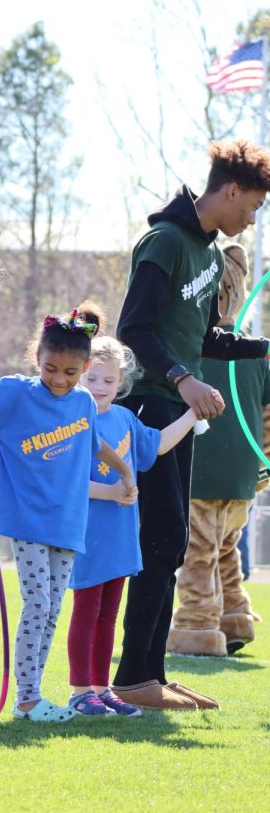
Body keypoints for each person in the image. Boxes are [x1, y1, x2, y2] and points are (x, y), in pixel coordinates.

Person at [113, 139, 270, 710]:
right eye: (252, 206)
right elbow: (134, 328)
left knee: (172, 542)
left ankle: (151, 673)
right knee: (159, 541)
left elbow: (202, 338)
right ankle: (134, 678)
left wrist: (263, 349)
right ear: (230, 190)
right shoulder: (165, 242)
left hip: (177, 414)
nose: (251, 220)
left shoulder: (207, 254)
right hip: (150, 406)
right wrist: (183, 379)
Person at [0, 306, 137, 723]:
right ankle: (27, 698)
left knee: (51, 610)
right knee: (37, 602)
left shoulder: (82, 401)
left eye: (69, 372)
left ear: (84, 367)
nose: (59, 380)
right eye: (50, 369)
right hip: (27, 518)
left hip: (67, 523)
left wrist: (122, 469)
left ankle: (33, 695)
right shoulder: (16, 393)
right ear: (37, 359)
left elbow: (95, 442)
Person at [67, 335, 198, 717]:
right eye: (92, 379)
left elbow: (156, 446)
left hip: (121, 538)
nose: (100, 388)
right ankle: (79, 690)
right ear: (79, 377)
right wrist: (109, 494)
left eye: (109, 381)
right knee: (86, 610)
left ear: (122, 383)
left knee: (108, 613)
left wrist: (193, 414)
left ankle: (101, 687)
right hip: (87, 535)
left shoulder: (125, 419)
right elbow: (67, 481)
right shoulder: (73, 419)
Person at [167, 244, 270, 656]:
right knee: (225, 547)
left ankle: (197, 625)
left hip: (201, 469)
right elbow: (267, 417)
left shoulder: (191, 347)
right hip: (243, 474)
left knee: (198, 550)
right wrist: (263, 466)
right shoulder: (256, 354)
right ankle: (235, 616)